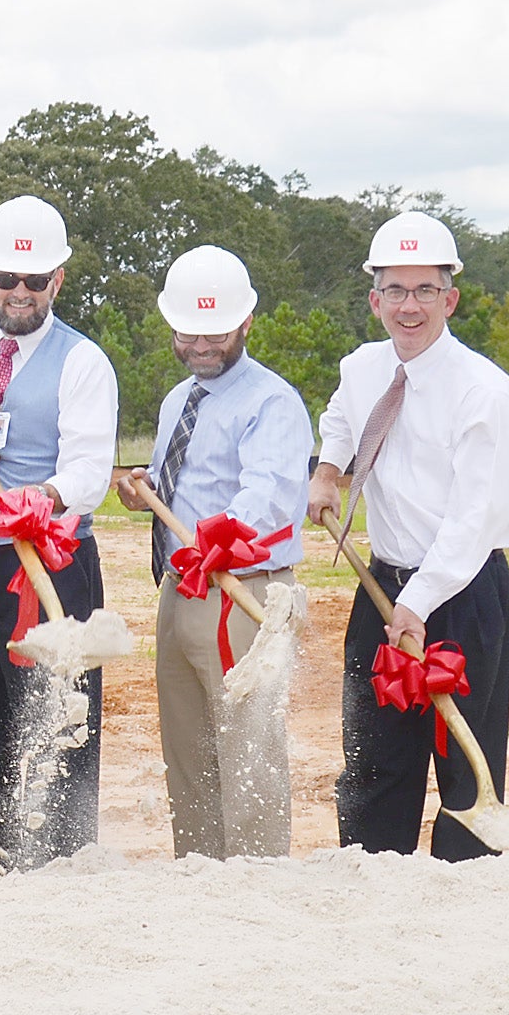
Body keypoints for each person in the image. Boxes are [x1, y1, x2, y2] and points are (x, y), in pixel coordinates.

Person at [307, 212, 509, 861]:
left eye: (425, 290)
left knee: (466, 762)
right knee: (374, 758)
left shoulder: (486, 394)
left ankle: (461, 901)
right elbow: (342, 418)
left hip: (462, 592)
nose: (410, 307)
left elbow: (472, 520)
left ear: (450, 297)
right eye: (396, 291)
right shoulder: (361, 368)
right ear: (375, 299)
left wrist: (421, 599)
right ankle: (375, 885)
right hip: (382, 581)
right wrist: (328, 471)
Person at [0, 194, 119, 880]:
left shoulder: (83, 362)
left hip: (51, 565)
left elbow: (89, 471)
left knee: (55, 716)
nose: (19, 292)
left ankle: (60, 868)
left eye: (34, 280)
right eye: (7, 277)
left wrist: (30, 499)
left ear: (58, 281)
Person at [115, 246, 311, 860]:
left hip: (240, 590)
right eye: (189, 330)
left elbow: (265, 497)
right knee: (189, 743)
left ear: (247, 322)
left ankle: (256, 876)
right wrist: (148, 488)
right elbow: (197, 479)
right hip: (182, 588)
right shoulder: (181, 398)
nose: (201, 344)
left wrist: (212, 540)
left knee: (246, 745)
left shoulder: (271, 403)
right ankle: (199, 874)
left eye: (216, 330)